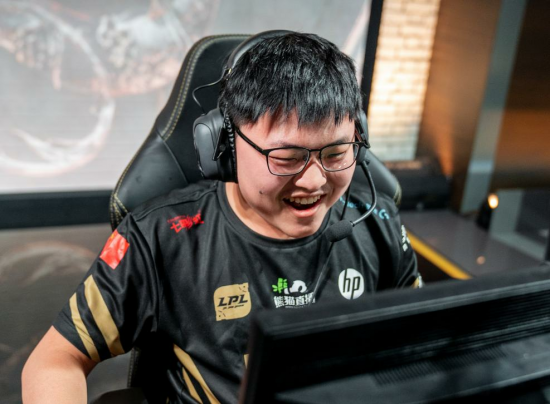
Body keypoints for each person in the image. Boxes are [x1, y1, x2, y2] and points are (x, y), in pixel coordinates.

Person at [22, 31, 420, 403]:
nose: (315, 181)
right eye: (286, 158)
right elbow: (55, 361)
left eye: (336, 153)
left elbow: (422, 345)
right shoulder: (161, 236)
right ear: (224, 146)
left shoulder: (378, 221)